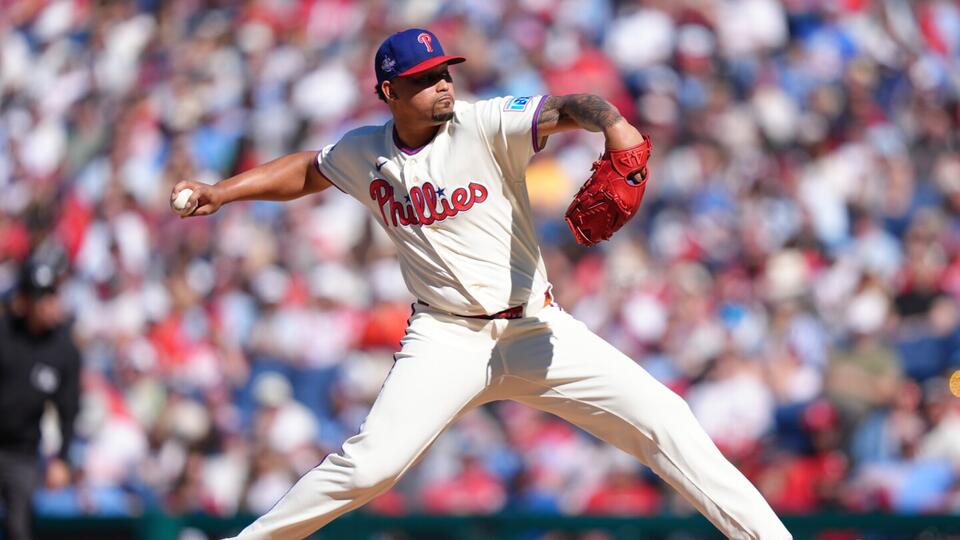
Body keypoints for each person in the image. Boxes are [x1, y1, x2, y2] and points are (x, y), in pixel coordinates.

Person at [172, 28, 791, 540]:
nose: (443, 84)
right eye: (425, 78)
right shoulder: (367, 153)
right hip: (446, 339)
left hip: (537, 329)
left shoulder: (485, 123)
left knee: (665, 417)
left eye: (446, 72)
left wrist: (615, 125)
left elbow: (569, 106)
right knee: (369, 469)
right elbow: (309, 169)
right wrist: (221, 192)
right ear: (389, 91)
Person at [0, 258, 80, 540]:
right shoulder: (4, 335)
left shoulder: (64, 350)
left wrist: (62, 459)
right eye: (42, 297)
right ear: (25, 302)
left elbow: (69, 410)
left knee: (19, 528)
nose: (50, 304)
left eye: (52, 296)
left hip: (22, 451)